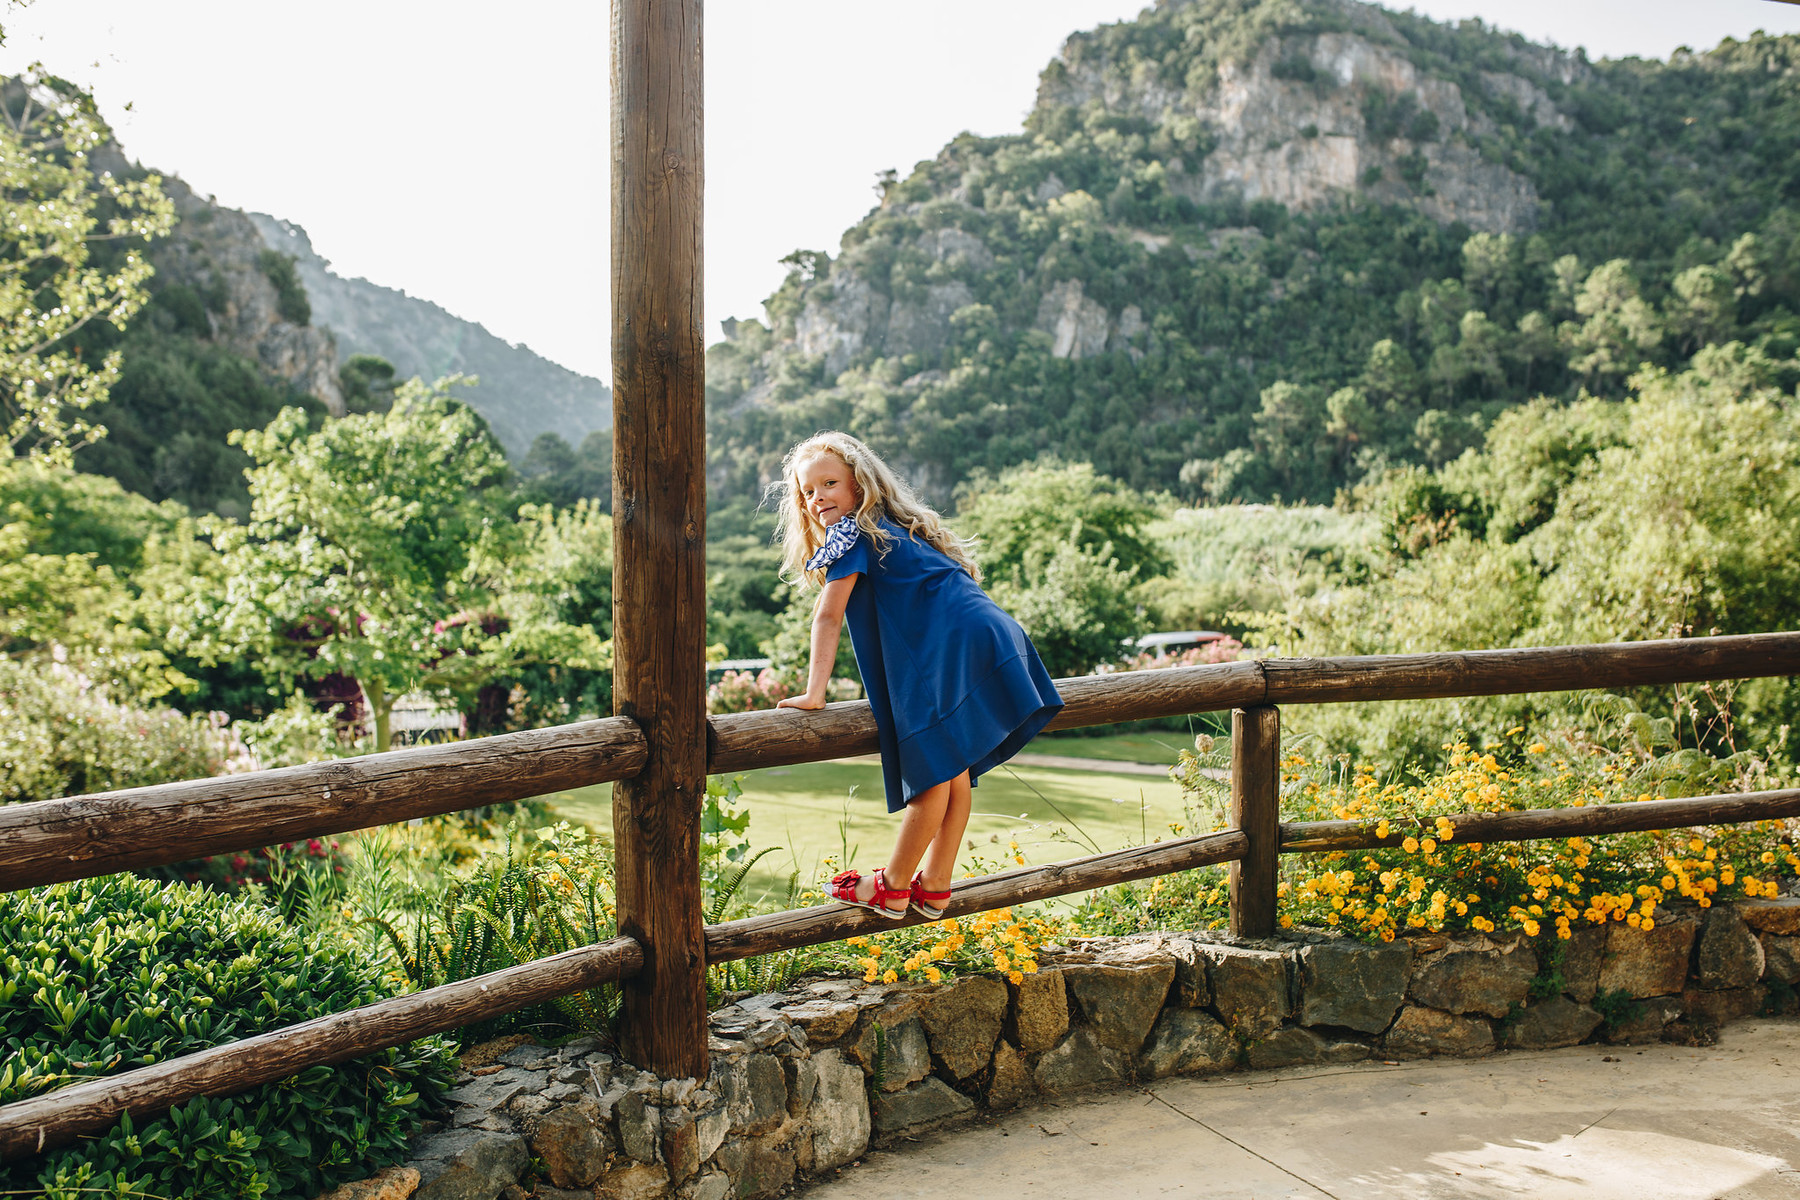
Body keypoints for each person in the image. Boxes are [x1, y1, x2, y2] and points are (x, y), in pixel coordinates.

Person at [773, 432, 1064, 919]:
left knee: (930, 774)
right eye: (807, 491)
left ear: (860, 487)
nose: (818, 497)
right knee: (954, 773)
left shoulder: (852, 534)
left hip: (949, 646)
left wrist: (814, 693)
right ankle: (936, 885)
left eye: (829, 484)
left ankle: (891, 885)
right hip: (988, 631)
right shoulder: (893, 527)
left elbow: (827, 617)